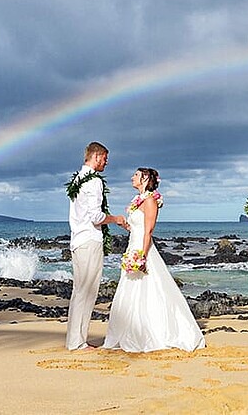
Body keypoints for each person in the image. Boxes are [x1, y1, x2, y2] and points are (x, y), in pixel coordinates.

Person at [102, 167, 206, 353]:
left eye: (135, 175)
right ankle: (130, 330)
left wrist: (141, 255)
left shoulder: (150, 201)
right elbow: (138, 227)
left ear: (145, 178)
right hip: (133, 246)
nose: (132, 177)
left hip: (142, 249)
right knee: (131, 290)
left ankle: (151, 332)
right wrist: (127, 226)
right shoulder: (138, 201)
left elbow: (148, 230)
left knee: (150, 289)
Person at [65, 141, 125, 351]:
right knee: (87, 291)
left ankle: (74, 339)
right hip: (89, 240)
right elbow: (95, 216)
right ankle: (77, 342)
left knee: (79, 291)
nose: (106, 163)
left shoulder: (78, 179)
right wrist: (116, 219)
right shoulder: (93, 181)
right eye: (105, 159)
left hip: (77, 240)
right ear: (97, 156)